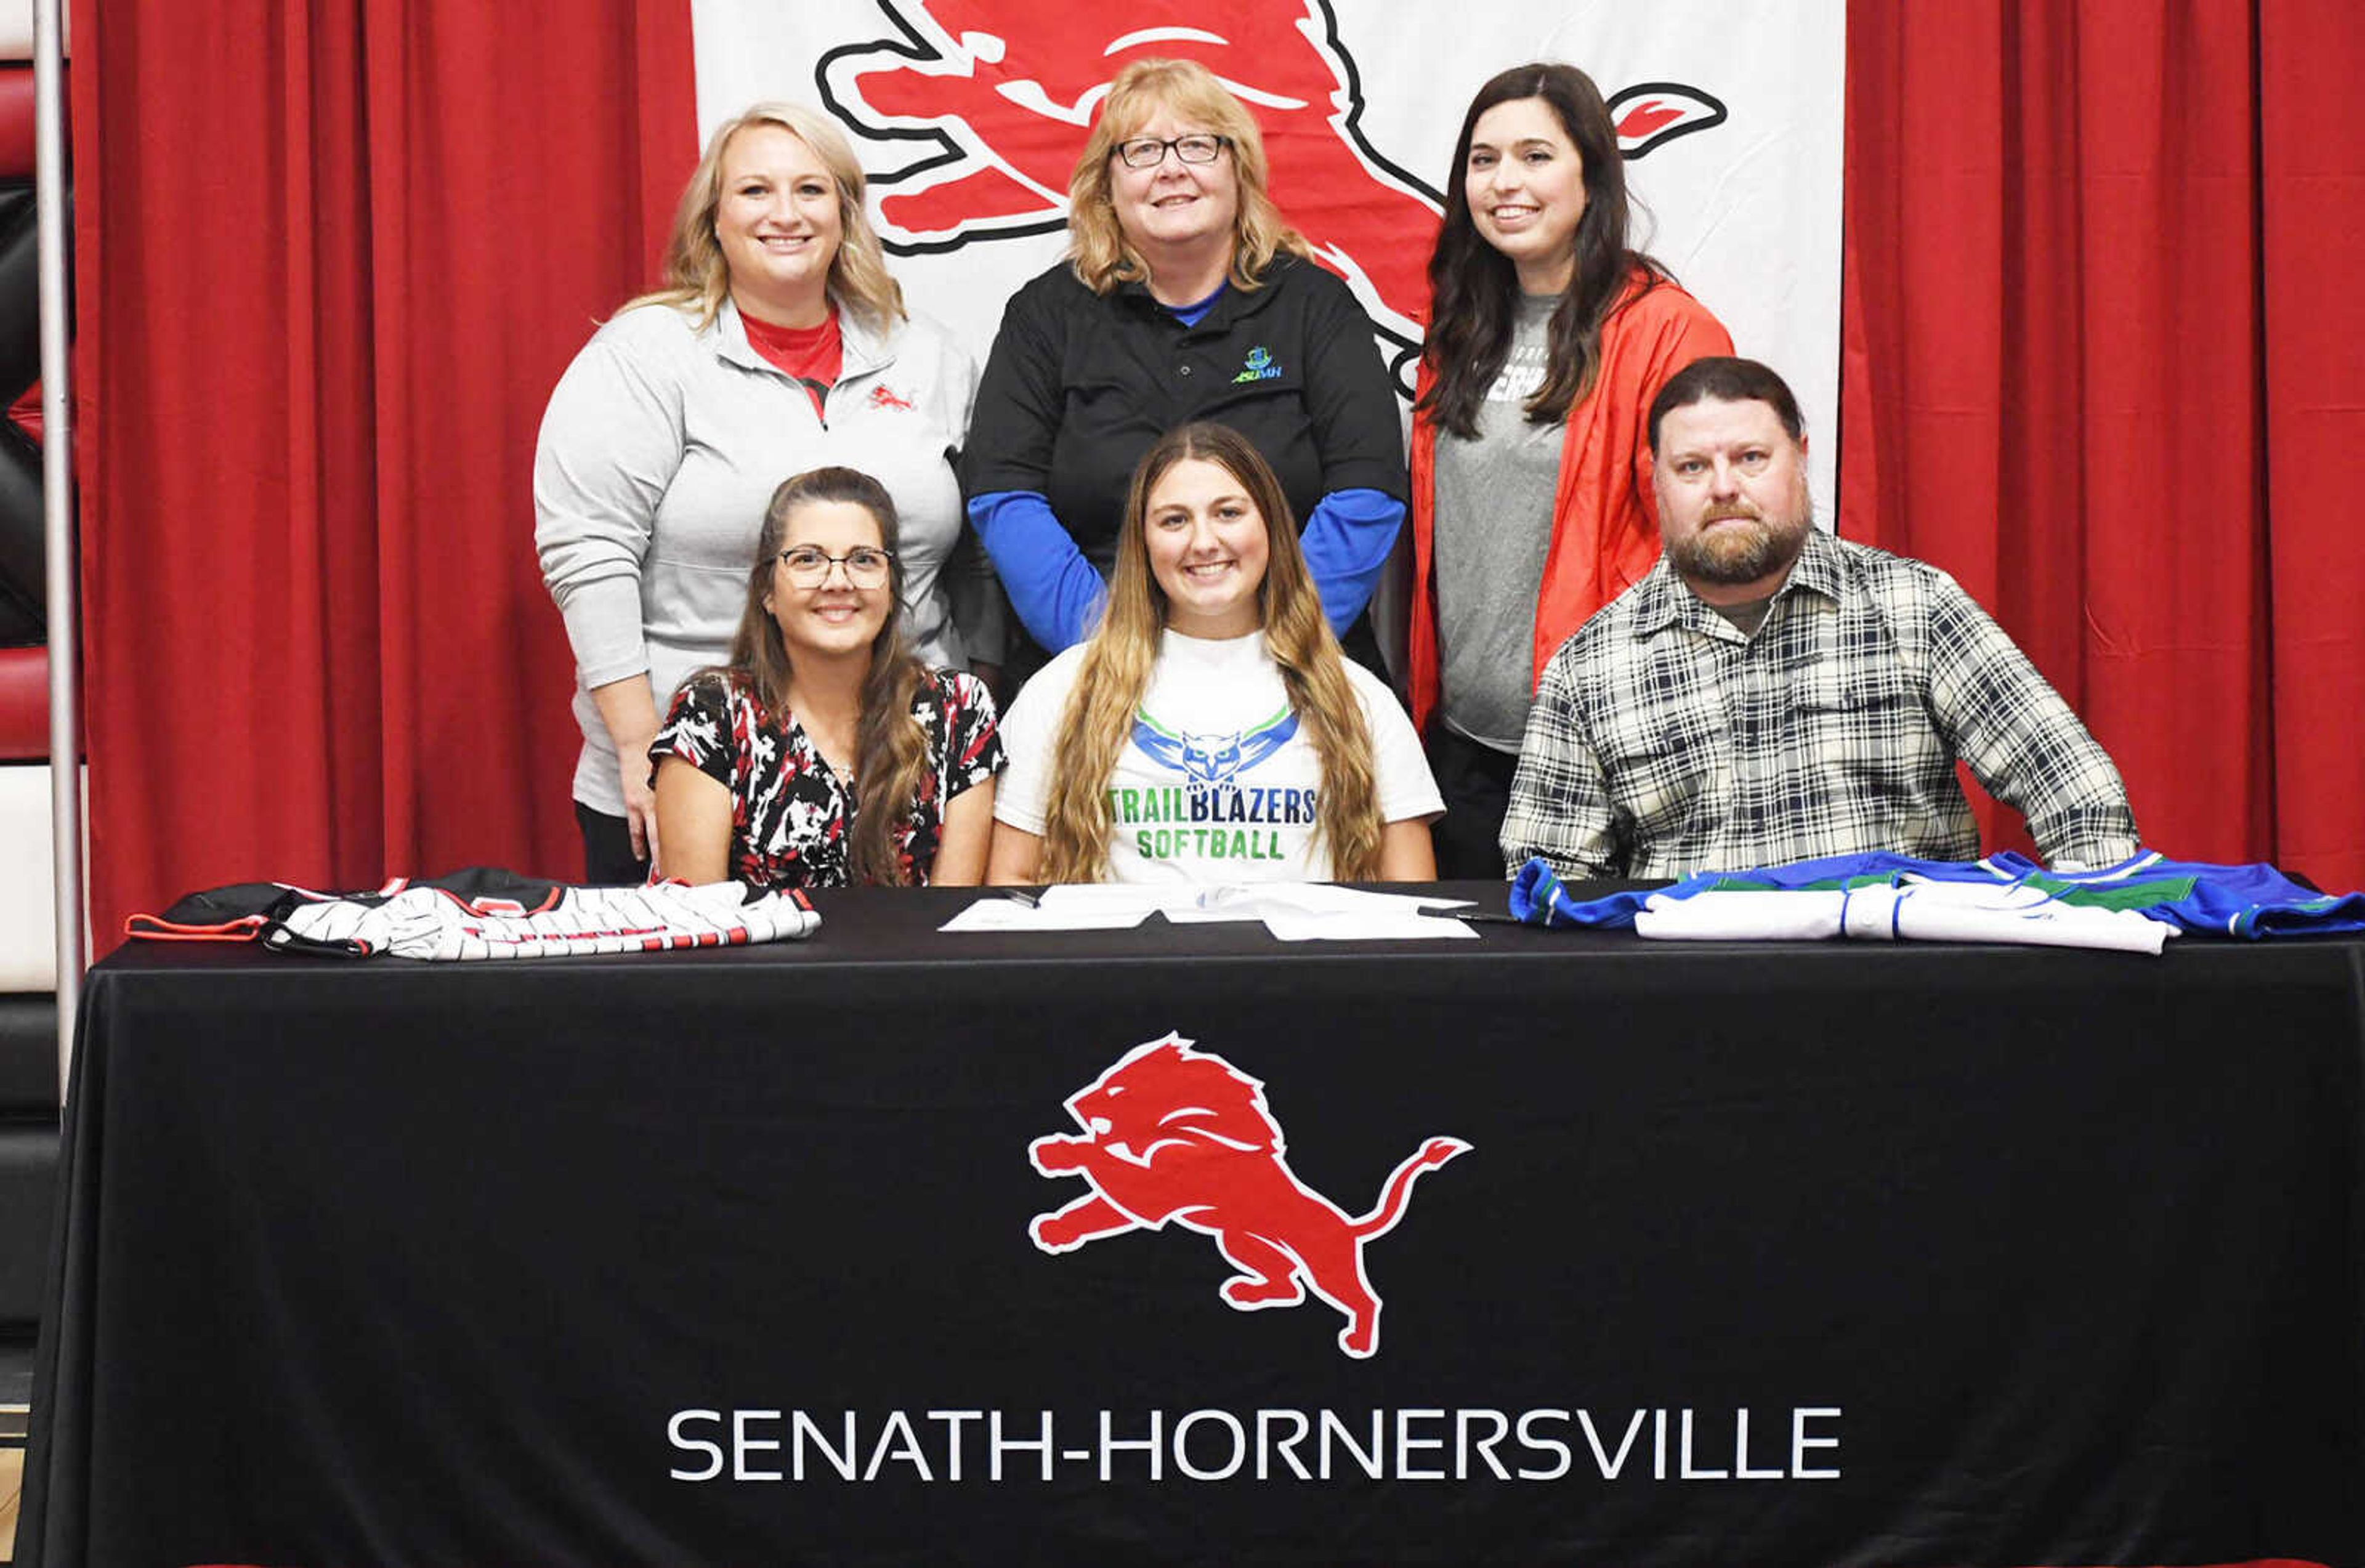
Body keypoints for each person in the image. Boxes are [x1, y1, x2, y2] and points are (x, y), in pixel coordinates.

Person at [536, 102, 996, 884]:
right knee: (699, 1006)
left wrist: (974, 704)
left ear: (846, 212)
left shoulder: (927, 355)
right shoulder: (645, 356)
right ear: (712, 215)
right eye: (755, 191)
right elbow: (589, 552)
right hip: (695, 770)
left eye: (811, 190)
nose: (785, 214)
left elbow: (976, 551)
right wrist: (639, 745)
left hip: (902, 768)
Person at [1500, 357, 2140, 881]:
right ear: (1656, 483)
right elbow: (1548, 878)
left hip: (1906, 992)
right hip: (1693, 1005)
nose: (1724, 487)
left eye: (1751, 457)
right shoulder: (1590, 667)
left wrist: (2081, 952)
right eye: (1693, 466)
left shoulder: (1915, 608)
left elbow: (2077, 789)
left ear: (1800, 457)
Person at [962, 57, 1405, 678]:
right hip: (1093, 666)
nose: (1172, 167)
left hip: (1296, 661)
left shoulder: (1315, 306)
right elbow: (1006, 497)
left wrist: (1271, 648)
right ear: (1106, 185)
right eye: (1141, 150)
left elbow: (1367, 490)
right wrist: (1111, 647)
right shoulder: (1047, 315)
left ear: (1239, 169)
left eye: (1198, 144)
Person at [1408, 62, 1733, 876]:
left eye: (1535, 156)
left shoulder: (1670, 331)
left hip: (1612, 755)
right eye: (1483, 161)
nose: (1504, 182)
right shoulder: (1458, 329)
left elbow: (1702, 558)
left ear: (1593, 175)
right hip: (1464, 750)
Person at [988, 423, 1439, 886]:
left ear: (1271, 527)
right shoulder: (1064, 689)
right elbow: (1013, 883)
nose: (1203, 542)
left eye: (1227, 513)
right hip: (1124, 960)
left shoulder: (1360, 700)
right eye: (1174, 520)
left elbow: (1412, 911)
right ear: (1143, 542)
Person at [650, 467, 1001, 889]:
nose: (838, 581)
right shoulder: (711, 714)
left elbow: (952, 919)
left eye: (863, 560)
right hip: (750, 955)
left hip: (916, 955)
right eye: (808, 559)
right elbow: (700, 926)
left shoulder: (958, 709)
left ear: (891, 588)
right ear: (767, 590)